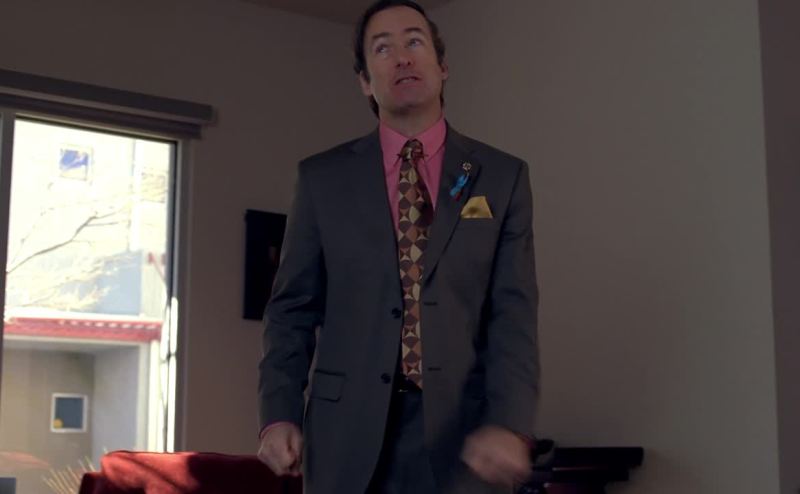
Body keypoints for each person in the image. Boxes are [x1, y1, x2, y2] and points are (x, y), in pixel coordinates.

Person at [257, 1, 539, 492]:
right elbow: (291, 310)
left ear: (442, 65)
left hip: (464, 439)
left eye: (414, 41)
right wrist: (278, 414)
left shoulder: (502, 177)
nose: (402, 57)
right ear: (365, 81)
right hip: (345, 438)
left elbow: (513, 313)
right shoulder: (323, 179)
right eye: (383, 48)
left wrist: (510, 423)